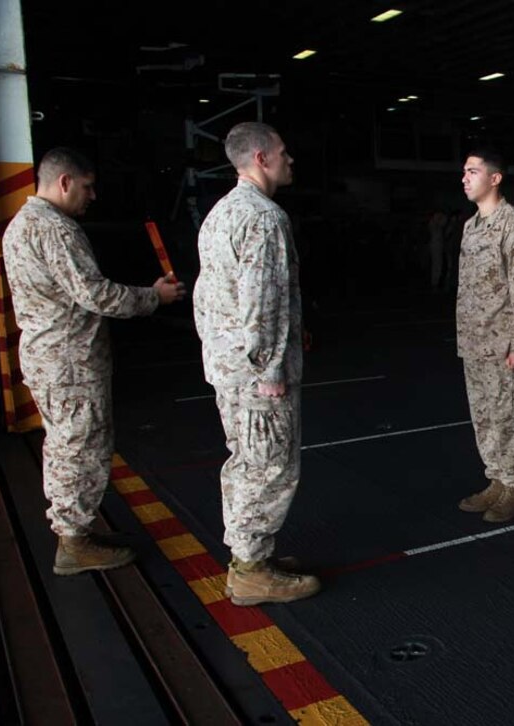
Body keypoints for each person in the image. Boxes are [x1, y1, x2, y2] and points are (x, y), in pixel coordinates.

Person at [3, 147, 184, 575]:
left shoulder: (20, 225)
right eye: (87, 186)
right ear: (64, 182)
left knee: (64, 444)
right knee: (80, 448)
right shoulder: (57, 230)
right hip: (70, 362)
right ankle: (74, 541)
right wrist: (152, 297)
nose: (93, 196)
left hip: (47, 356)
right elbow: (96, 295)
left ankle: (74, 530)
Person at [194, 122, 320, 605]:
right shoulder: (264, 218)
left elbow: (208, 299)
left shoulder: (220, 214)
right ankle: (250, 570)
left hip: (229, 366)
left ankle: (252, 555)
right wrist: (269, 370)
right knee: (269, 467)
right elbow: (261, 301)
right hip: (257, 373)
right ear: (262, 158)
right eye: (285, 152)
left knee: (245, 462)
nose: (291, 160)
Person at [454, 149, 514, 522]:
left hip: (505, 344)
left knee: (507, 416)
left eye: (472, 171)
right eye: (464, 172)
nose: (464, 178)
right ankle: (496, 479)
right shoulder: (471, 226)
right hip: (475, 342)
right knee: (484, 416)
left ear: (495, 178)